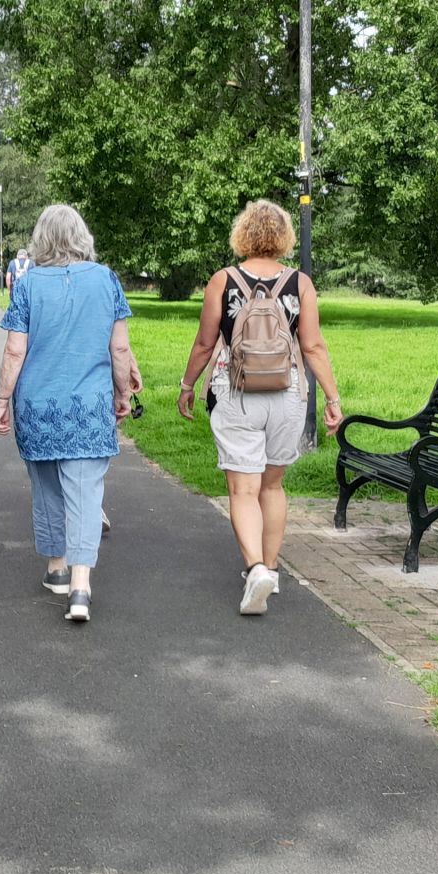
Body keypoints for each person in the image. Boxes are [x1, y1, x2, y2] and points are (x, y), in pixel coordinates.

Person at [176, 200, 343, 617]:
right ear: (283, 236)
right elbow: (313, 346)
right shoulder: (299, 283)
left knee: (243, 489)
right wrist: (333, 399)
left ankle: (254, 570)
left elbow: (204, 342)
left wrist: (187, 386)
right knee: (272, 486)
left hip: (237, 392)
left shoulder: (223, 280)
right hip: (287, 395)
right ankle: (270, 567)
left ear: (243, 235)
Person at [0, 205, 139, 624]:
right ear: (82, 236)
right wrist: (123, 392)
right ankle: (80, 586)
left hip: (38, 405)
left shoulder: (28, 284)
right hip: (89, 407)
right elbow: (119, 349)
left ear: (41, 240)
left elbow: (15, 349)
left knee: (46, 486)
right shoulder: (106, 279)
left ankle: (56, 568)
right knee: (85, 492)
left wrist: (2, 400)